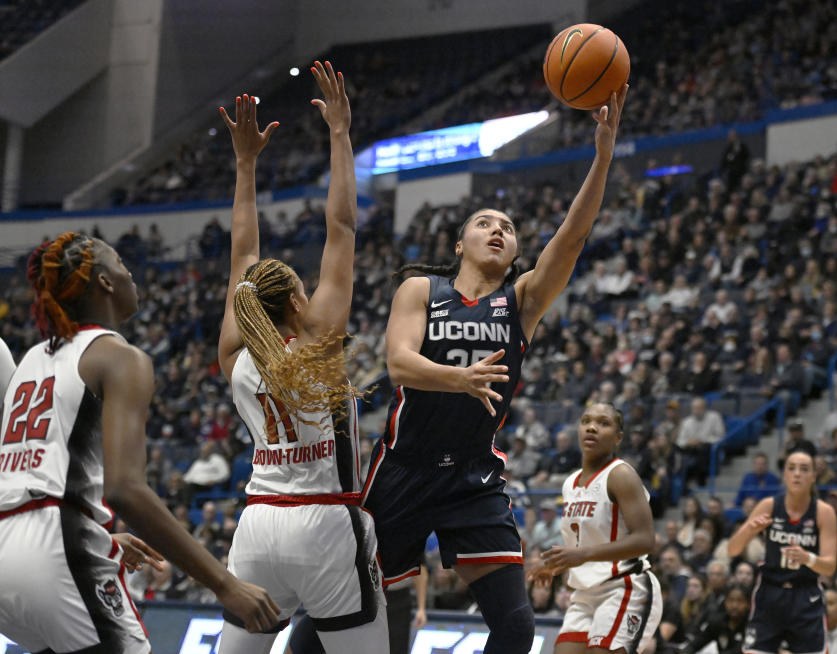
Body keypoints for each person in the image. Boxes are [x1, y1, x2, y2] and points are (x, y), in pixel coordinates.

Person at [361, 85, 628, 654]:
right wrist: (460, 378)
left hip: (472, 476)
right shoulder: (420, 288)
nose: (499, 230)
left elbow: (572, 239)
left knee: (515, 627)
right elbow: (399, 364)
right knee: (349, 604)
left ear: (513, 255)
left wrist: (602, 156)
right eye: (486, 223)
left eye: (508, 228)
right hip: (402, 468)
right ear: (460, 244)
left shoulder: (522, 301)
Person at [0, 232, 279, 653]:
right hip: (58, 549)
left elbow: (35, 477)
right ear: (106, 282)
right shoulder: (119, 356)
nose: (131, 274)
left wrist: (102, 537)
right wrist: (225, 584)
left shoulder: (32, 360)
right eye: (122, 265)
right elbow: (125, 489)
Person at [216, 66, 387, 653]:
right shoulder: (319, 344)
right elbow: (340, 227)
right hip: (326, 524)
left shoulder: (236, 356)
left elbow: (244, 253)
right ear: (297, 300)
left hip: (258, 525)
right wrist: (340, 133)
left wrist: (245, 167)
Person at [528, 402, 660, 653]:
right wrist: (555, 563)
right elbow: (580, 544)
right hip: (585, 593)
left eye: (603, 423)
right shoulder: (570, 484)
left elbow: (645, 540)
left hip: (625, 585)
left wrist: (583, 555)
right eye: (586, 421)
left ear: (618, 438)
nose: (592, 428)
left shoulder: (621, 475)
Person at [727, 442, 837, 654]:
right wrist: (748, 530)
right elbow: (732, 550)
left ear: (814, 476)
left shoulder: (824, 512)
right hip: (770, 593)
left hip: (806, 595)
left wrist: (808, 559)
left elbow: (830, 567)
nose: (797, 474)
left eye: (804, 469)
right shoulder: (768, 505)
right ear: (784, 475)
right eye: (792, 468)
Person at [679, 584, 751, 654]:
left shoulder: (753, 626)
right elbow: (694, 645)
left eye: (740, 601)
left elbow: (742, 651)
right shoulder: (717, 622)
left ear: (748, 604)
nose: (734, 605)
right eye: (730, 600)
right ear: (725, 602)